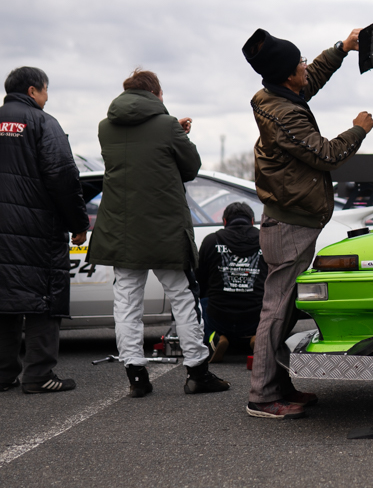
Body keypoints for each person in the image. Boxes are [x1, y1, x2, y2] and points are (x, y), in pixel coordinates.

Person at [242, 26, 373, 419]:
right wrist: (359, 129)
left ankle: (279, 385)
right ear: (287, 76)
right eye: (299, 62)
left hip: (291, 220)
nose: (304, 66)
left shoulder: (277, 94)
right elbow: (327, 155)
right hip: (289, 226)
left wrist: (341, 49)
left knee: (284, 308)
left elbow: (310, 77)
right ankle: (263, 396)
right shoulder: (285, 114)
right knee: (277, 310)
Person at [88, 68, 229, 398]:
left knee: (126, 303)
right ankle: (197, 371)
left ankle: (136, 376)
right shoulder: (167, 125)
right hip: (164, 228)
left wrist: (171, 130)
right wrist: (179, 132)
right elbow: (190, 167)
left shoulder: (105, 127)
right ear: (155, 94)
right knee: (182, 297)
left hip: (121, 229)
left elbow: (138, 154)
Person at [0, 66, 88, 393]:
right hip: (36, 231)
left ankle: (3, 374)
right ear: (33, 90)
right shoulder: (42, 123)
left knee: (4, 298)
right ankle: (39, 375)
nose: (47, 97)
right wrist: (78, 223)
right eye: (46, 90)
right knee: (43, 297)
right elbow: (63, 176)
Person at [197, 201, 267, 361]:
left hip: (219, 319)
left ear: (225, 221)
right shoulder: (265, 241)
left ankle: (214, 337)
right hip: (256, 318)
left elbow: (199, 282)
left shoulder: (211, 241)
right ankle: (259, 337)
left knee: (199, 300)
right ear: (252, 221)